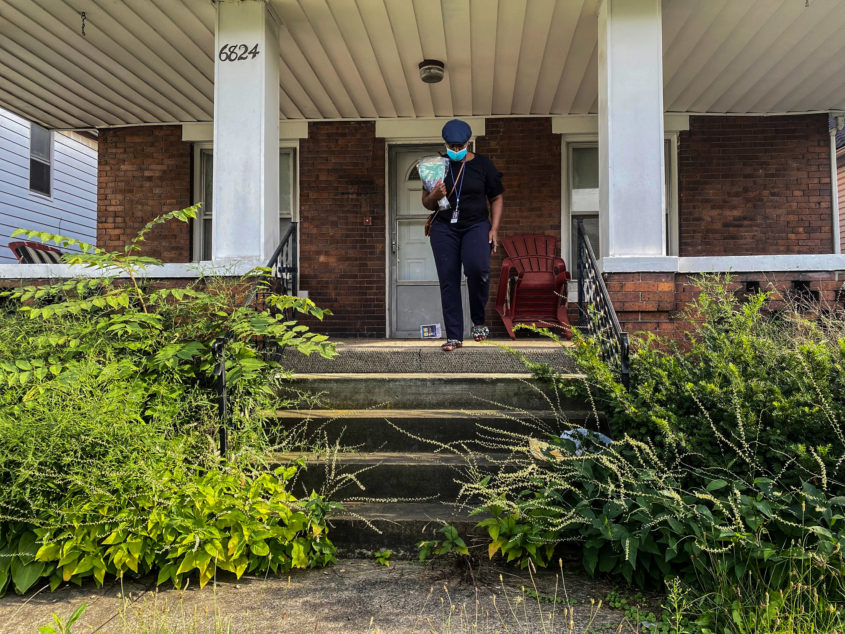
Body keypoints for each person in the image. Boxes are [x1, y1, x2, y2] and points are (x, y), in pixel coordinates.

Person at [421, 119, 504, 351]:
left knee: (478, 269)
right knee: (448, 280)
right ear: (445, 143)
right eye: (452, 146)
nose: (456, 150)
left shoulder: (483, 166)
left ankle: (478, 321)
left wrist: (494, 229)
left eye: (460, 146)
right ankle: (454, 337)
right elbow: (427, 204)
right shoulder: (435, 166)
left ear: (468, 142)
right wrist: (434, 195)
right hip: (444, 228)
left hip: (476, 225)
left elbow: (496, 198)